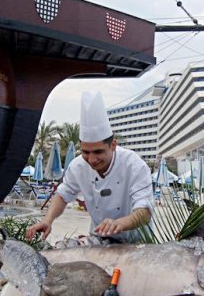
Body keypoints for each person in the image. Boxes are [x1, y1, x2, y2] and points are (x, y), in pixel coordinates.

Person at [26, 91, 152, 243]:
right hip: (99, 240)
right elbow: (63, 195)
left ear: (113, 145)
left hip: (136, 242)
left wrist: (120, 223)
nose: (92, 159)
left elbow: (144, 212)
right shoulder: (77, 166)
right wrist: (48, 220)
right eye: (86, 152)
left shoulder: (134, 166)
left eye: (98, 151)